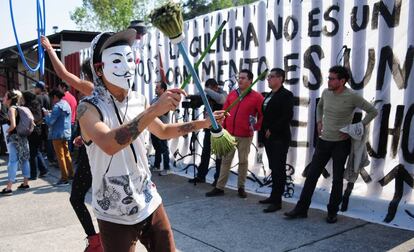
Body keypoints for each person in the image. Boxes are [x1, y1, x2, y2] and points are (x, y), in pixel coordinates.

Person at [77, 29, 225, 251]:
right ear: (99, 69)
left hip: (148, 199)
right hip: (114, 213)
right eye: (117, 60)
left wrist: (201, 123)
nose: (127, 66)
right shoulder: (88, 108)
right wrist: (155, 108)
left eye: (130, 58)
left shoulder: (138, 99)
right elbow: (109, 144)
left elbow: (163, 130)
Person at [284, 65, 378, 223]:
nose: (328, 81)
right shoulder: (326, 93)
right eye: (328, 78)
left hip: (341, 144)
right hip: (323, 142)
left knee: (337, 180)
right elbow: (320, 106)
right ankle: (301, 209)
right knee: (311, 176)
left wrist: (354, 128)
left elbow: (373, 111)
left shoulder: (352, 96)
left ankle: (332, 212)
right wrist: (319, 120)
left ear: (342, 81)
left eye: (332, 79)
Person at [41, 35, 103, 251]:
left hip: (94, 156)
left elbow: (63, 74)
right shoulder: (115, 95)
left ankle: (96, 242)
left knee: (78, 198)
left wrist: (49, 49)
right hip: (99, 151)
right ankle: (102, 239)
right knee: (102, 198)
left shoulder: (97, 90)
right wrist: (85, 137)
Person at [206, 69, 264, 198]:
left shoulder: (257, 97)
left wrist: (254, 127)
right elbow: (224, 112)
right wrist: (223, 128)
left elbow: (262, 115)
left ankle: (241, 187)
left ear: (250, 81)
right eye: (239, 77)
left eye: (243, 78)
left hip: (245, 135)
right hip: (229, 134)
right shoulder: (232, 94)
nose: (240, 80)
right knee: (225, 161)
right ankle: (219, 187)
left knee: (243, 161)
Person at [258, 68, 294, 213]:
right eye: (268, 77)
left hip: (279, 137)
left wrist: (272, 129)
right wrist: (263, 133)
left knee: (279, 169)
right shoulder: (269, 95)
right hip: (268, 138)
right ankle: (273, 196)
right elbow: (265, 116)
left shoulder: (286, 95)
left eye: (272, 77)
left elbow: (286, 116)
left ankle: (277, 201)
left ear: (280, 78)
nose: (268, 79)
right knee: (274, 167)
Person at [188, 78, 227, 185]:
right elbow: (197, 97)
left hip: (219, 129)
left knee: (218, 156)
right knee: (205, 153)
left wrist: (206, 90)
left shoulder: (222, 93)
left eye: (210, 89)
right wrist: (195, 96)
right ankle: (201, 176)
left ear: (215, 87)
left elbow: (221, 100)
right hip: (208, 128)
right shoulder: (208, 94)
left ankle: (217, 180)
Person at [0, 90, 30, 195]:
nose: (3, 98)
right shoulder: (19, 107)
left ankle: (8, 188)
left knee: (13, 161)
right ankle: (25, 183)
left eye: (4, 96)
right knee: (25, 159)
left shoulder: (11, 109)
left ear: (9, 100)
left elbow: (12, 125)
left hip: (14, 138)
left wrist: (7, 132)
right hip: (22, 137)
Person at [44, 89, 73, 186]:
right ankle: (71, 174)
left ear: (55, 97)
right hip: (66, 132)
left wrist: (46, 115)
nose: (52, 100)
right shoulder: (66, 104)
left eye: (52, 98)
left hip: (57, 134)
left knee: (60, 157)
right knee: (67, 154)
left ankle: (64, 178)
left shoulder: (57, 106)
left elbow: (50, 122)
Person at [22, 91, 49, 180]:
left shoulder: (28, 107)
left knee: (32, 154)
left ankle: (33, 174)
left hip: (33, 132)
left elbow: (35, 118)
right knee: (36, 151)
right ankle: (43, 169)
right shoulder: (37, 104)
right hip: (38, 131)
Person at [150, 81, 171, 176]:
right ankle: (157, 165)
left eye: (157, 87)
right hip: (154, 127)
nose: (155, 89)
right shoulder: (154, 100)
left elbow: (161, 112)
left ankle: (167, 168)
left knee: (164, 148)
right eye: (156, 87)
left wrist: (154, 110)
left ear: (163, 89)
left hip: (163, 128)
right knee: (157, 147)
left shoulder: (167, 100)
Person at [58, 82, 78, 152]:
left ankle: (66, 161)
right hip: (72, 123)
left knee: (64, 146)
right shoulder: (73, 97)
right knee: (69, 144)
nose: (58, 90)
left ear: (63, 88)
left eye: (59, 88)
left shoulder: (63, 98)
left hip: (65, 124)